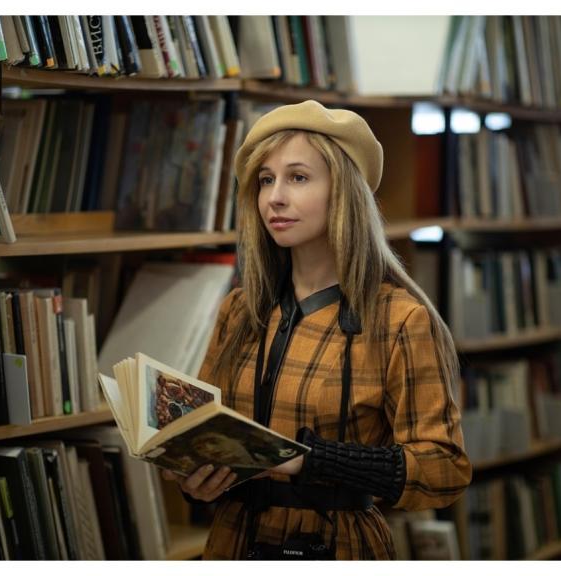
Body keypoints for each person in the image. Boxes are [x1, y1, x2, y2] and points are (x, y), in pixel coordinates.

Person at [161, 100, 472, 560]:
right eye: (266, 179)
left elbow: (445, 469)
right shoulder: (239, 310)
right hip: (231, 544)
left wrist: (308, 459)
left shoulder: (399, 319)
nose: (274, 197)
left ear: (343, 192)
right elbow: (208, 433)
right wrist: (196, 480)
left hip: (337, 548)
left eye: (298, 177)